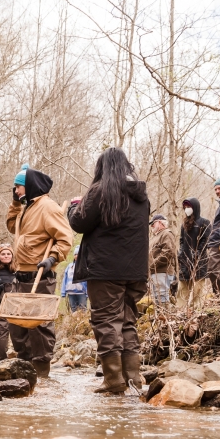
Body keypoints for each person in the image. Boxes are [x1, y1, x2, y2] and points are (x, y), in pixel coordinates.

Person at [68, 147, 150, 393]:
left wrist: (73, 208)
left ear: (102, 167)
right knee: (127, 321)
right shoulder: (141, 195)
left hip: (105, 270)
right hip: (135, 271)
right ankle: (133, 378)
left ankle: (114, 380)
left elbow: (79, 223)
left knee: (106, 321)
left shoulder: (101, 191)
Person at [4, 163, 73, 378]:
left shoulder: (48, 207)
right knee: (17, 322)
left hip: (40, 275)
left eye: (18, 187)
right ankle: (24, 366)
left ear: (30, 186)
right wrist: (15, 204)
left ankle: (42, 371)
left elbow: (65, 238)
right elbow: (11, 226)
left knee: (40, 325)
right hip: (21, 275)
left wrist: (52, 258)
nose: (16, 190)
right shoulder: (28, 207)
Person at [177, 197, 210, 309]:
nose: (187, 209)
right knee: (182, 290)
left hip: (199, 262)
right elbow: (181, 240)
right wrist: (181, 253)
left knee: (198, 291)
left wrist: (197, 254)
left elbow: (206, 241)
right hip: (185, 262)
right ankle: (179, 312)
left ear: (195, 207)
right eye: (185, 207)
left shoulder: (205, 223)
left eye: (189, 207)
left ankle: (196, 312)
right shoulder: (184, 224)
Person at [148, 214, 177, 305]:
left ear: (160, 222)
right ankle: (161, 318)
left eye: (153, 223)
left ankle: (166, 318)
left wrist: (153, 265)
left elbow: (168, 252)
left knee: (162, 297)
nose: (151, 226)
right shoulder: (156, 236)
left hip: (163, 271)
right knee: (157, 297)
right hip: (155, 272)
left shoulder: (166, 233)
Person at [61, 245, 88, 312]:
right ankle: (74, 321)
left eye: (78, 254)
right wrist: (63, 292)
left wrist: (88, 293)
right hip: (71, 292)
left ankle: (82, 322)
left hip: (82, 292)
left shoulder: (85, 266)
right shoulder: (69, 266)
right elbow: (65, 279)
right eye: (75, 254)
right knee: (73, 309)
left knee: (83, 309)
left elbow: (88, 281)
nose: (76, 256)